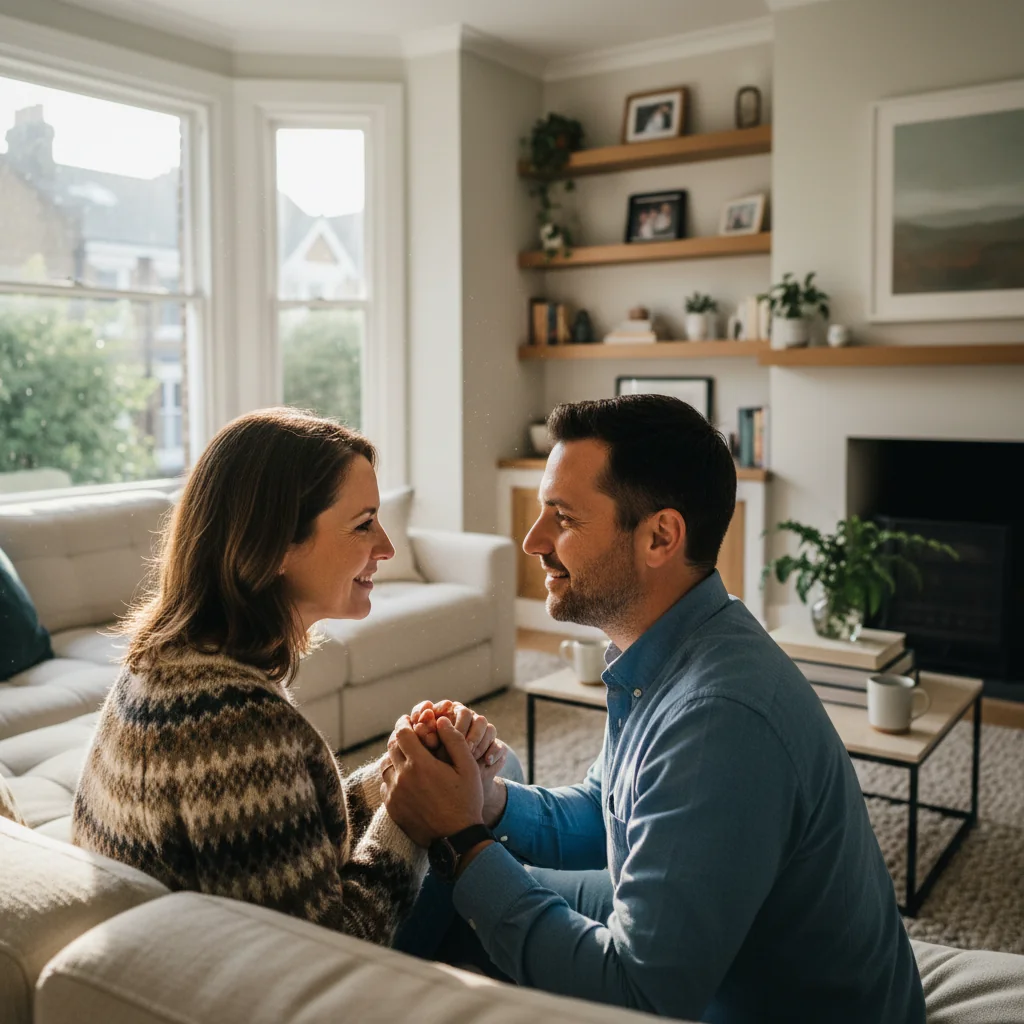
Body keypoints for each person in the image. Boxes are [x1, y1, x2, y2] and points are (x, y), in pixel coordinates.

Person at [382, 395, 925, 1023]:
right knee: (455, 885)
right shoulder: (675, 645)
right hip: (721, 957)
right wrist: (485, 799)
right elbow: (603, 813)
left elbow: (638, 997)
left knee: (458, 878)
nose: (532, 541)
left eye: (562, 518)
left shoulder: (718, 719)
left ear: (660, 536)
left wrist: (461, 837)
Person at [71, 407, 505, 946]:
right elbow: (321, 954)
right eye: (363, 523)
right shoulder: (237, 729)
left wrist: (399, 774)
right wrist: (408, 824)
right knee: (479, 885)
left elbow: (278, 840)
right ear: (275, 544)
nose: (386, 547)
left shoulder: (167, 667)